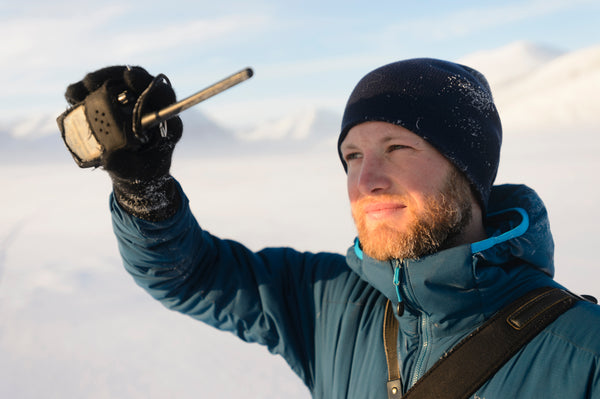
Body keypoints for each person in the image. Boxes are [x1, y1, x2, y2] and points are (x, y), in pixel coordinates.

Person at [61, 59, 600, 398]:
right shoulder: (332, 302)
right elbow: (189, 275)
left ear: (467, 168)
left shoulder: (584, 355)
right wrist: (143, 189)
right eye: (351, 156)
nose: (367, 180)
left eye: (397, 148)